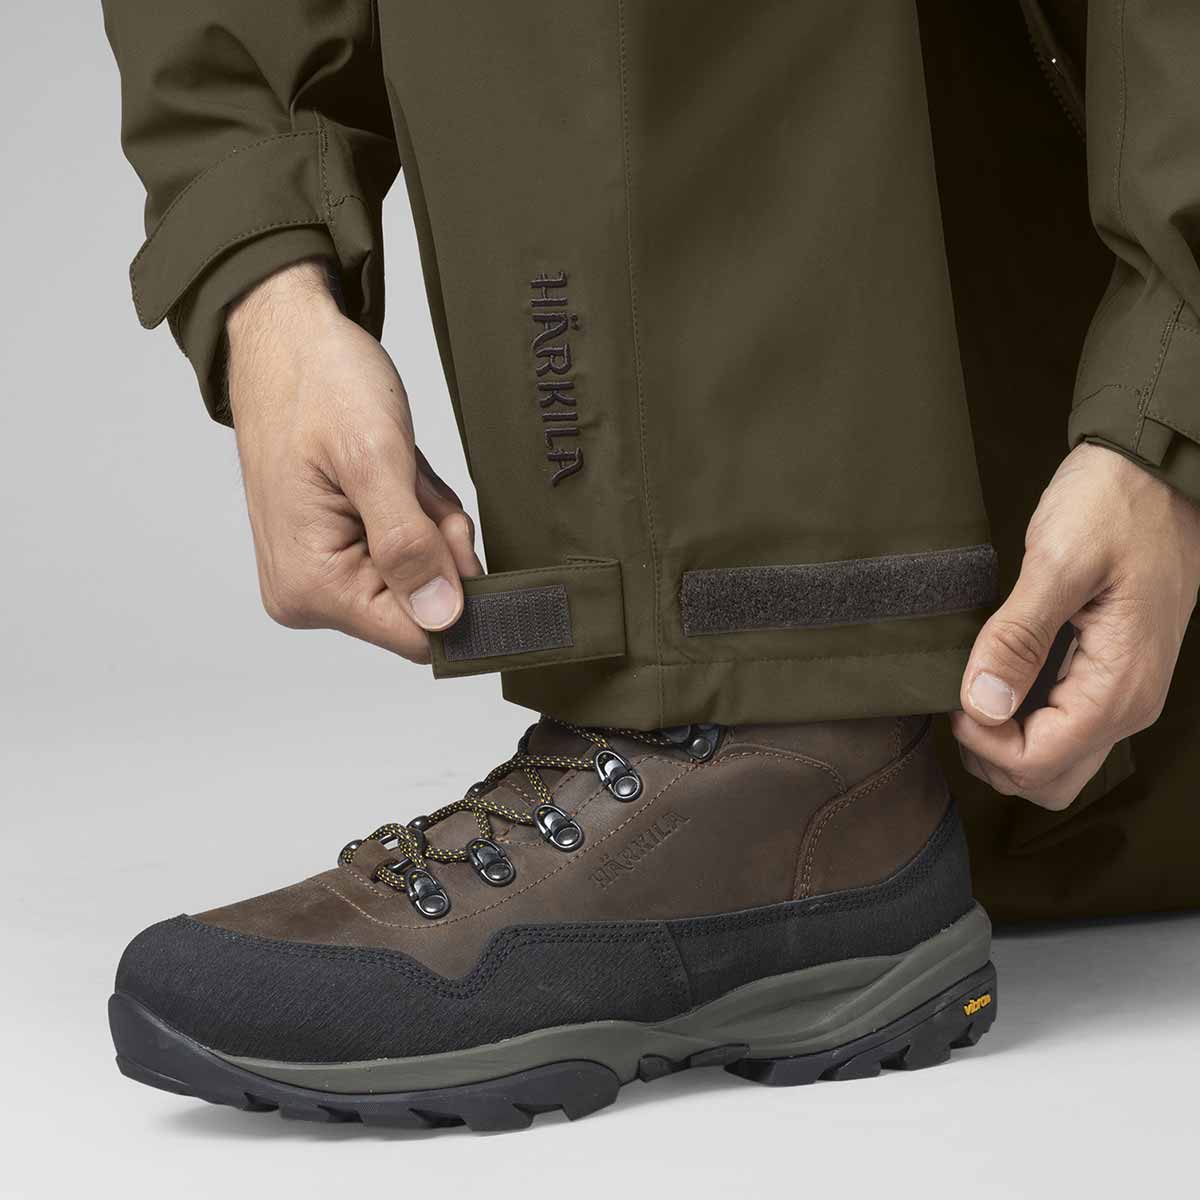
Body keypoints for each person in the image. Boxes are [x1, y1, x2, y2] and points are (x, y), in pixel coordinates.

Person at [100, 0, 1200, 1128]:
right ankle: (769, 756)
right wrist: (264, 287)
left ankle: (760, 737)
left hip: (1125, 618)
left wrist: (1167, 426)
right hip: (1001, 683)